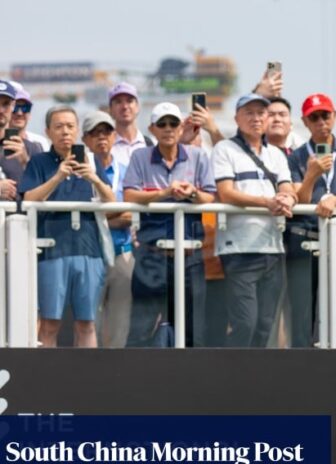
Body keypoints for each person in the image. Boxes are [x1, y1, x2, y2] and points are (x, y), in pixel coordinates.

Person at [20, 106, 116, 347]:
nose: (65, 132)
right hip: (51, 250)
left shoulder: (91, 159)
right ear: (48, 131)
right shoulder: (39, 161)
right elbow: (29, 199)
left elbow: (113, 203)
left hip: (89, 250)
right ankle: (46, 380)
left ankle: (88, 379)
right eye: (59, 126)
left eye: (70, 126)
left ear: (77, 131)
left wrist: (93, 177)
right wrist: (58, 177)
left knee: (87, 323)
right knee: (50, 323)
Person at [123, 102, 216, 347]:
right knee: (141, 327)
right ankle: (135, 382)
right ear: (152, 129)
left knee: (193, 329)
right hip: (151, 255)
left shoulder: (198, 156)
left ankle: (192, 383)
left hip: (190, 255)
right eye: (162, 124)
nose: (168, 128)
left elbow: (210, 196)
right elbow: (129, 196)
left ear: (180, 127)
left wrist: (192, 193)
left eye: (173, 123)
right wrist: (165, 193)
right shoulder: (140, 156)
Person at [212, 93, 296, 348]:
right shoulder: (224, 149)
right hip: (239, 248)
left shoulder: (277, 155)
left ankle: (253, 379)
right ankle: (232, 375)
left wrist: (288, 201)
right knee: (244, 322)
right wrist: (267, 203)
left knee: (265, 325)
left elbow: (288, 188)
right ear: (237, 118)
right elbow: (225, 192)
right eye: (249, 112)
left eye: (261, 113)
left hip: (273, 247)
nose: (256, 118)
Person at [285, 93, 336, 347]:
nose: (321, 122)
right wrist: (312, 174)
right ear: (305, 121)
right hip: (305, 239)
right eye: (314, 117)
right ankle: (301, 368)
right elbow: (299, 201)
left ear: (333, 117)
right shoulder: (297, 156)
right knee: (303, 313)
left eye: (325, 115)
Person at [81, 111, 134, 348]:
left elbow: (130, 215)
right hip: (91, 255)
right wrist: (112, 215)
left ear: (114, 136)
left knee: (120, 322)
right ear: (85, 140)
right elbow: (87, 218)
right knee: (89, 321)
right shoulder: (78, 173)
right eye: (95, 133)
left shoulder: (126, 170)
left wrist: (97, 218)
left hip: (122, 252)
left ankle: (116, 379)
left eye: (106, 131)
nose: (101, 137)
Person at [0, 81, 42, 199]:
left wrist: (26, 162)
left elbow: (45, 191)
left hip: (22, 216)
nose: (1, 110)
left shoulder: (31, 148)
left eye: (5, 104)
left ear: (13, 106)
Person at [108, 82, 152, 171]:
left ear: (137, 107)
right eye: (118, 102)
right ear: (111, 109)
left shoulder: (150, 144)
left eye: (129, 101)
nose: (124, 107)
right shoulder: (106, 147)